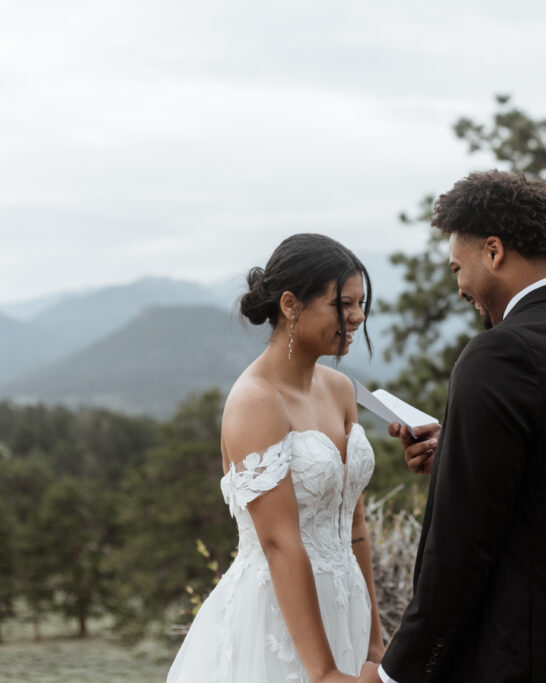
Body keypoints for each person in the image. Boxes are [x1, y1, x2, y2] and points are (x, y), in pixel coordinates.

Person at [366, 171, 546, 682]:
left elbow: (462, 542)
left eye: (457, 267)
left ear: (493, 251)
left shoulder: (500, 353)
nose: (459, 287)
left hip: (505, 656)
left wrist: (399, 672)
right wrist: (458, 452)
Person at [168, 233, 382, 683]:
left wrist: (374, 641)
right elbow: (279, 542)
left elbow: (354, 522)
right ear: (290, 305)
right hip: (278, 623)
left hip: (349, 609)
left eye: (361, 303)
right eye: (343, 304)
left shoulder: (341, 389)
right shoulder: (256, 401)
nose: (358, 316)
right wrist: (323, 672)